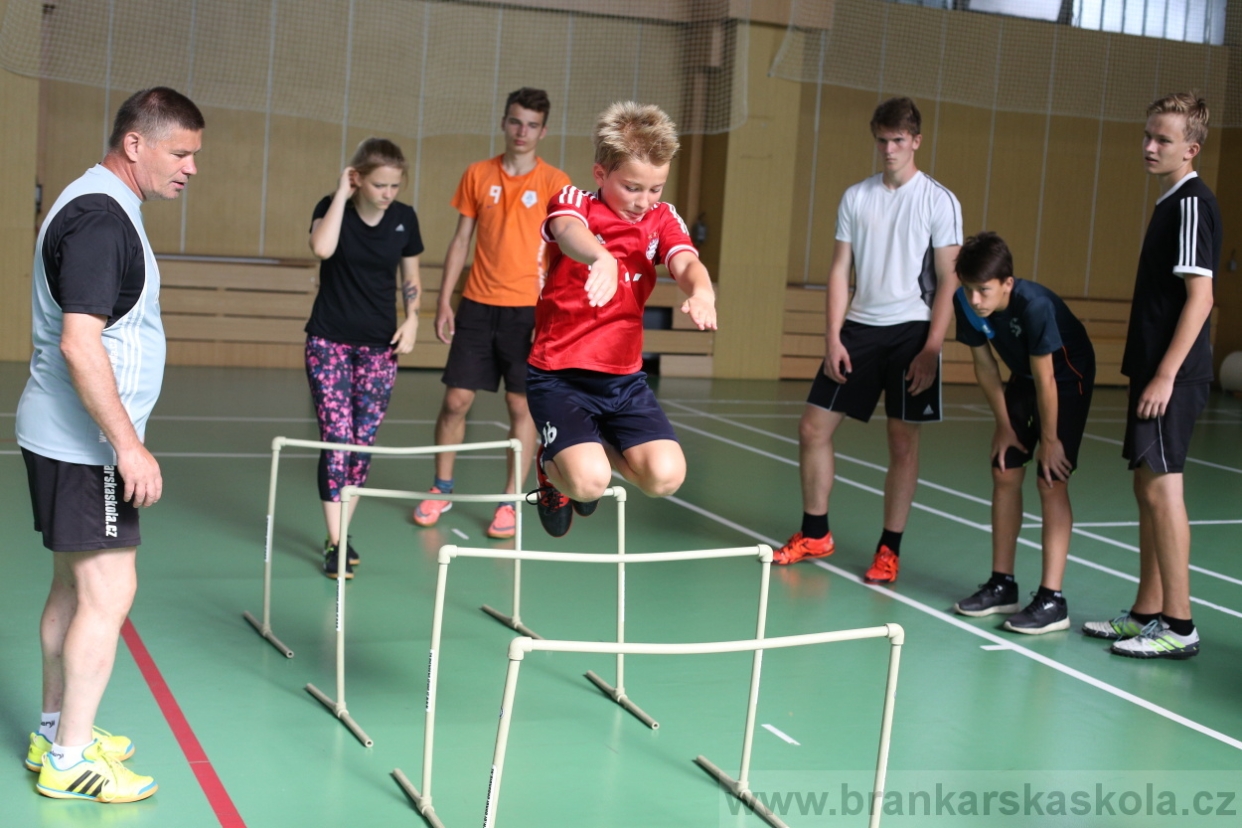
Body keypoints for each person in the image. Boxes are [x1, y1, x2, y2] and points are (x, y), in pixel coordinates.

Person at [15, 86, 203, 803]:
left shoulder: (101, 202)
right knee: (109, 588)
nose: (190, 168)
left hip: (64, 436)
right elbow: (79, 341)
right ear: (136, 144)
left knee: (73, 586)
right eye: (179, 152)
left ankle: (56, 729)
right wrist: (126, 445)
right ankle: (68, 761)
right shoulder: (99, 219)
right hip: (86, 444)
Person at [774, 97, 962, 584]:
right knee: (813, 429)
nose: (890, 149)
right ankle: (815, 533)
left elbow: (949, 281)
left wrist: (932, 349)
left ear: (916, 141)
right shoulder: (856, 197)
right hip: (858, 329)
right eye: (882, 140)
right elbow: (840, 269)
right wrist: (832, 336)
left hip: (912, 332)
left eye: (899, 140)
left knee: (902, 442)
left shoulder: (939, 201)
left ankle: (888, 550)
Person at [526, 101, 716, 537]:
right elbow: (568, 234)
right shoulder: (574, 201)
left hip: (623, 381)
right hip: (559, 376)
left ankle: (580, 451)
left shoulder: (660, 218)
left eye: (655, 189)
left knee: (665, 477)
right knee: (589, 483)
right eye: (632, 188)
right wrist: (601, 257)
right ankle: (552, 468)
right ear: (601, 174)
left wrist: (702, 291)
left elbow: (686, 262)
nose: (644, 201)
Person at [1083, 92, 1219, 659]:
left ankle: (1179, 625)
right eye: (1146, 135)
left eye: (1162, 139)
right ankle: (1146, 612)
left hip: (1173, 375)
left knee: (1164, 489)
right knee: (1146, 486)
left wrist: (1165, 374)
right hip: (1152, 369)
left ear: (1190, 149)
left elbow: (1201, 297)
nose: (1148, 146)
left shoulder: (1190, 205)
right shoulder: (1170, 202)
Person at [412, 88, 570, 539]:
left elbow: (565, 249)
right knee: (456, 401)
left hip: (529, 313)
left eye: (532, 125)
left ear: (544, 130)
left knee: (521, 406)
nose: (523, 132)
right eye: (515, 121)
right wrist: (445, 299)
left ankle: (509, 501)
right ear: (504, 122)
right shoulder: (478, 174)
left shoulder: (556, 183)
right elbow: (461, 240)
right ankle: (441, 486)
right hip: (478, 306)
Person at [950, 232, 1095, 634]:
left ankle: (1053, 600)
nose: (975, 300)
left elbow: (1047, 378)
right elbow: (984, 366)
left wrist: (1049, 441)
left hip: (1066, 380)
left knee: (1051, 479)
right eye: (969, 290)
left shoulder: (1035, 306)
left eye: (984, 291)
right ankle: (1002, 584)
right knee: (1005, 468)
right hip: (1024, 377)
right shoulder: (964, 302)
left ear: (1007, 284)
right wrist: (1005, 425)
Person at [307, 138, 423, 579]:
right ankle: (337, 544)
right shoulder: (333, 206)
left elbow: (410, 278)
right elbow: (321, 249)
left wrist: (412, 318)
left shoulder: (404, 220)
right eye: (379, 184)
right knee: (337, 437)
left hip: (380, 346)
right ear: (358, 178)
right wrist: (341, 193)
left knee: (361, 446)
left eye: (395, 185)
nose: (388, 193)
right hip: (329, 342)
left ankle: (341, 535)